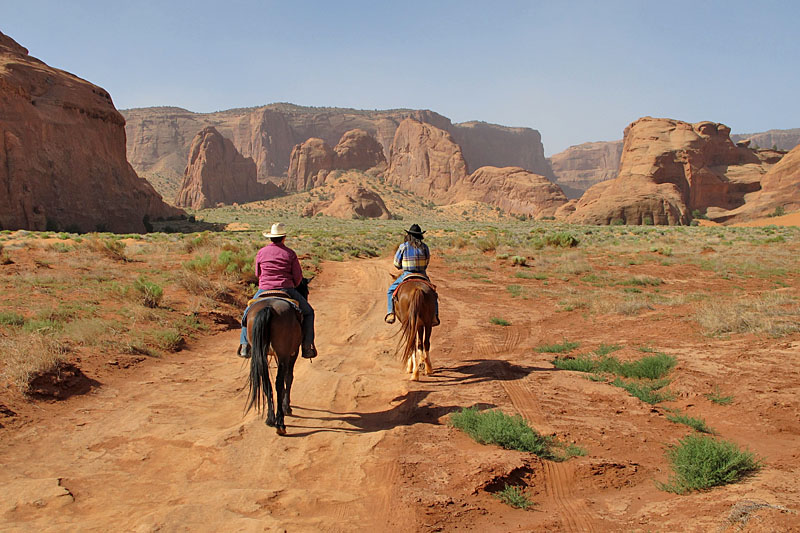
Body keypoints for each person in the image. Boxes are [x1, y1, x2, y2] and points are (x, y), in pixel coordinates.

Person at [238, 222, 316, 359]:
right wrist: (291, 284)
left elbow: (257, 273)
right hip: (286, 289)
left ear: (270, 237)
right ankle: (307, 346)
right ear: (284, 237)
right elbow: (298, 278)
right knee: (309, 313)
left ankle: (244, 345)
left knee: (247, 313)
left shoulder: (261, 252)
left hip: (263, 289)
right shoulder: (290, 253)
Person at [385, 223, 439, 325]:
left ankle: (391, 313)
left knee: (390, 291)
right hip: (422, 274)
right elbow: (427, 262)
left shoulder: (403, 247)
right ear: (420, 235)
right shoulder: (425, 247)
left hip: (407, 274)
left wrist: (402, 266)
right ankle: (434, 316)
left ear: (409, 235)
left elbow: (396, 263)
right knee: (433, 293)